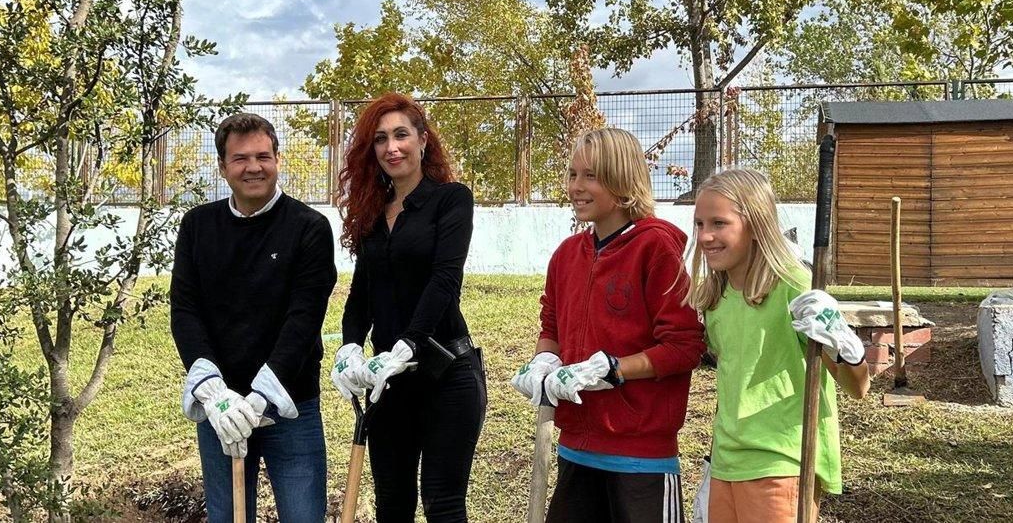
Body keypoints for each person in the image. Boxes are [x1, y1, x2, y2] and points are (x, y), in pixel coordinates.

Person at [511, 127, 707, 523]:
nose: (576, 187)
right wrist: (544, 361)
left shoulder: (657, 248)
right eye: (572, 174)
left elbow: (684, 346)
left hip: (640, 458)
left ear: (622, 181)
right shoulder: (567, 255)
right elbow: (551, 324)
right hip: (576, 447)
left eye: (591, 176)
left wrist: (613, 369)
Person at [170, 113, 337, 523]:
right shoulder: (197, 226)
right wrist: (212, 390)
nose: (254, 167)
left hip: (289, 406)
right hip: (221, 409)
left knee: (303, 517)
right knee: (226, 518)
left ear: (278, 159)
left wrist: (263, 393)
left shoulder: (309, 228)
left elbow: (304, 317)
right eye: (240, 158)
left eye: (263, 156)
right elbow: (185, 309)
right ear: (223, 166)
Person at [328, 92, 486, 523]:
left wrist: (406, 345)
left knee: (443, 503)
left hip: (446, 372)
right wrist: (349, 348)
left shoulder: (451, 199)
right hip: (390, 384)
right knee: (392, 505)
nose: (391, 147)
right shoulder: (372, 213)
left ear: (422, 140)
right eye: (380, 139)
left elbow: (444, 281)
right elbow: (361, 294)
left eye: (401, 135)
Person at [685, 168, 870, 523]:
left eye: (719, 224)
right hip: (726, 459)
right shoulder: (716, 294)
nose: (706, 236)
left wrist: (844, 344)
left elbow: (857, 386)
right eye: (700, 224)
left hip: (781, 459)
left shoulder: (795, 286)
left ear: (755, 225)